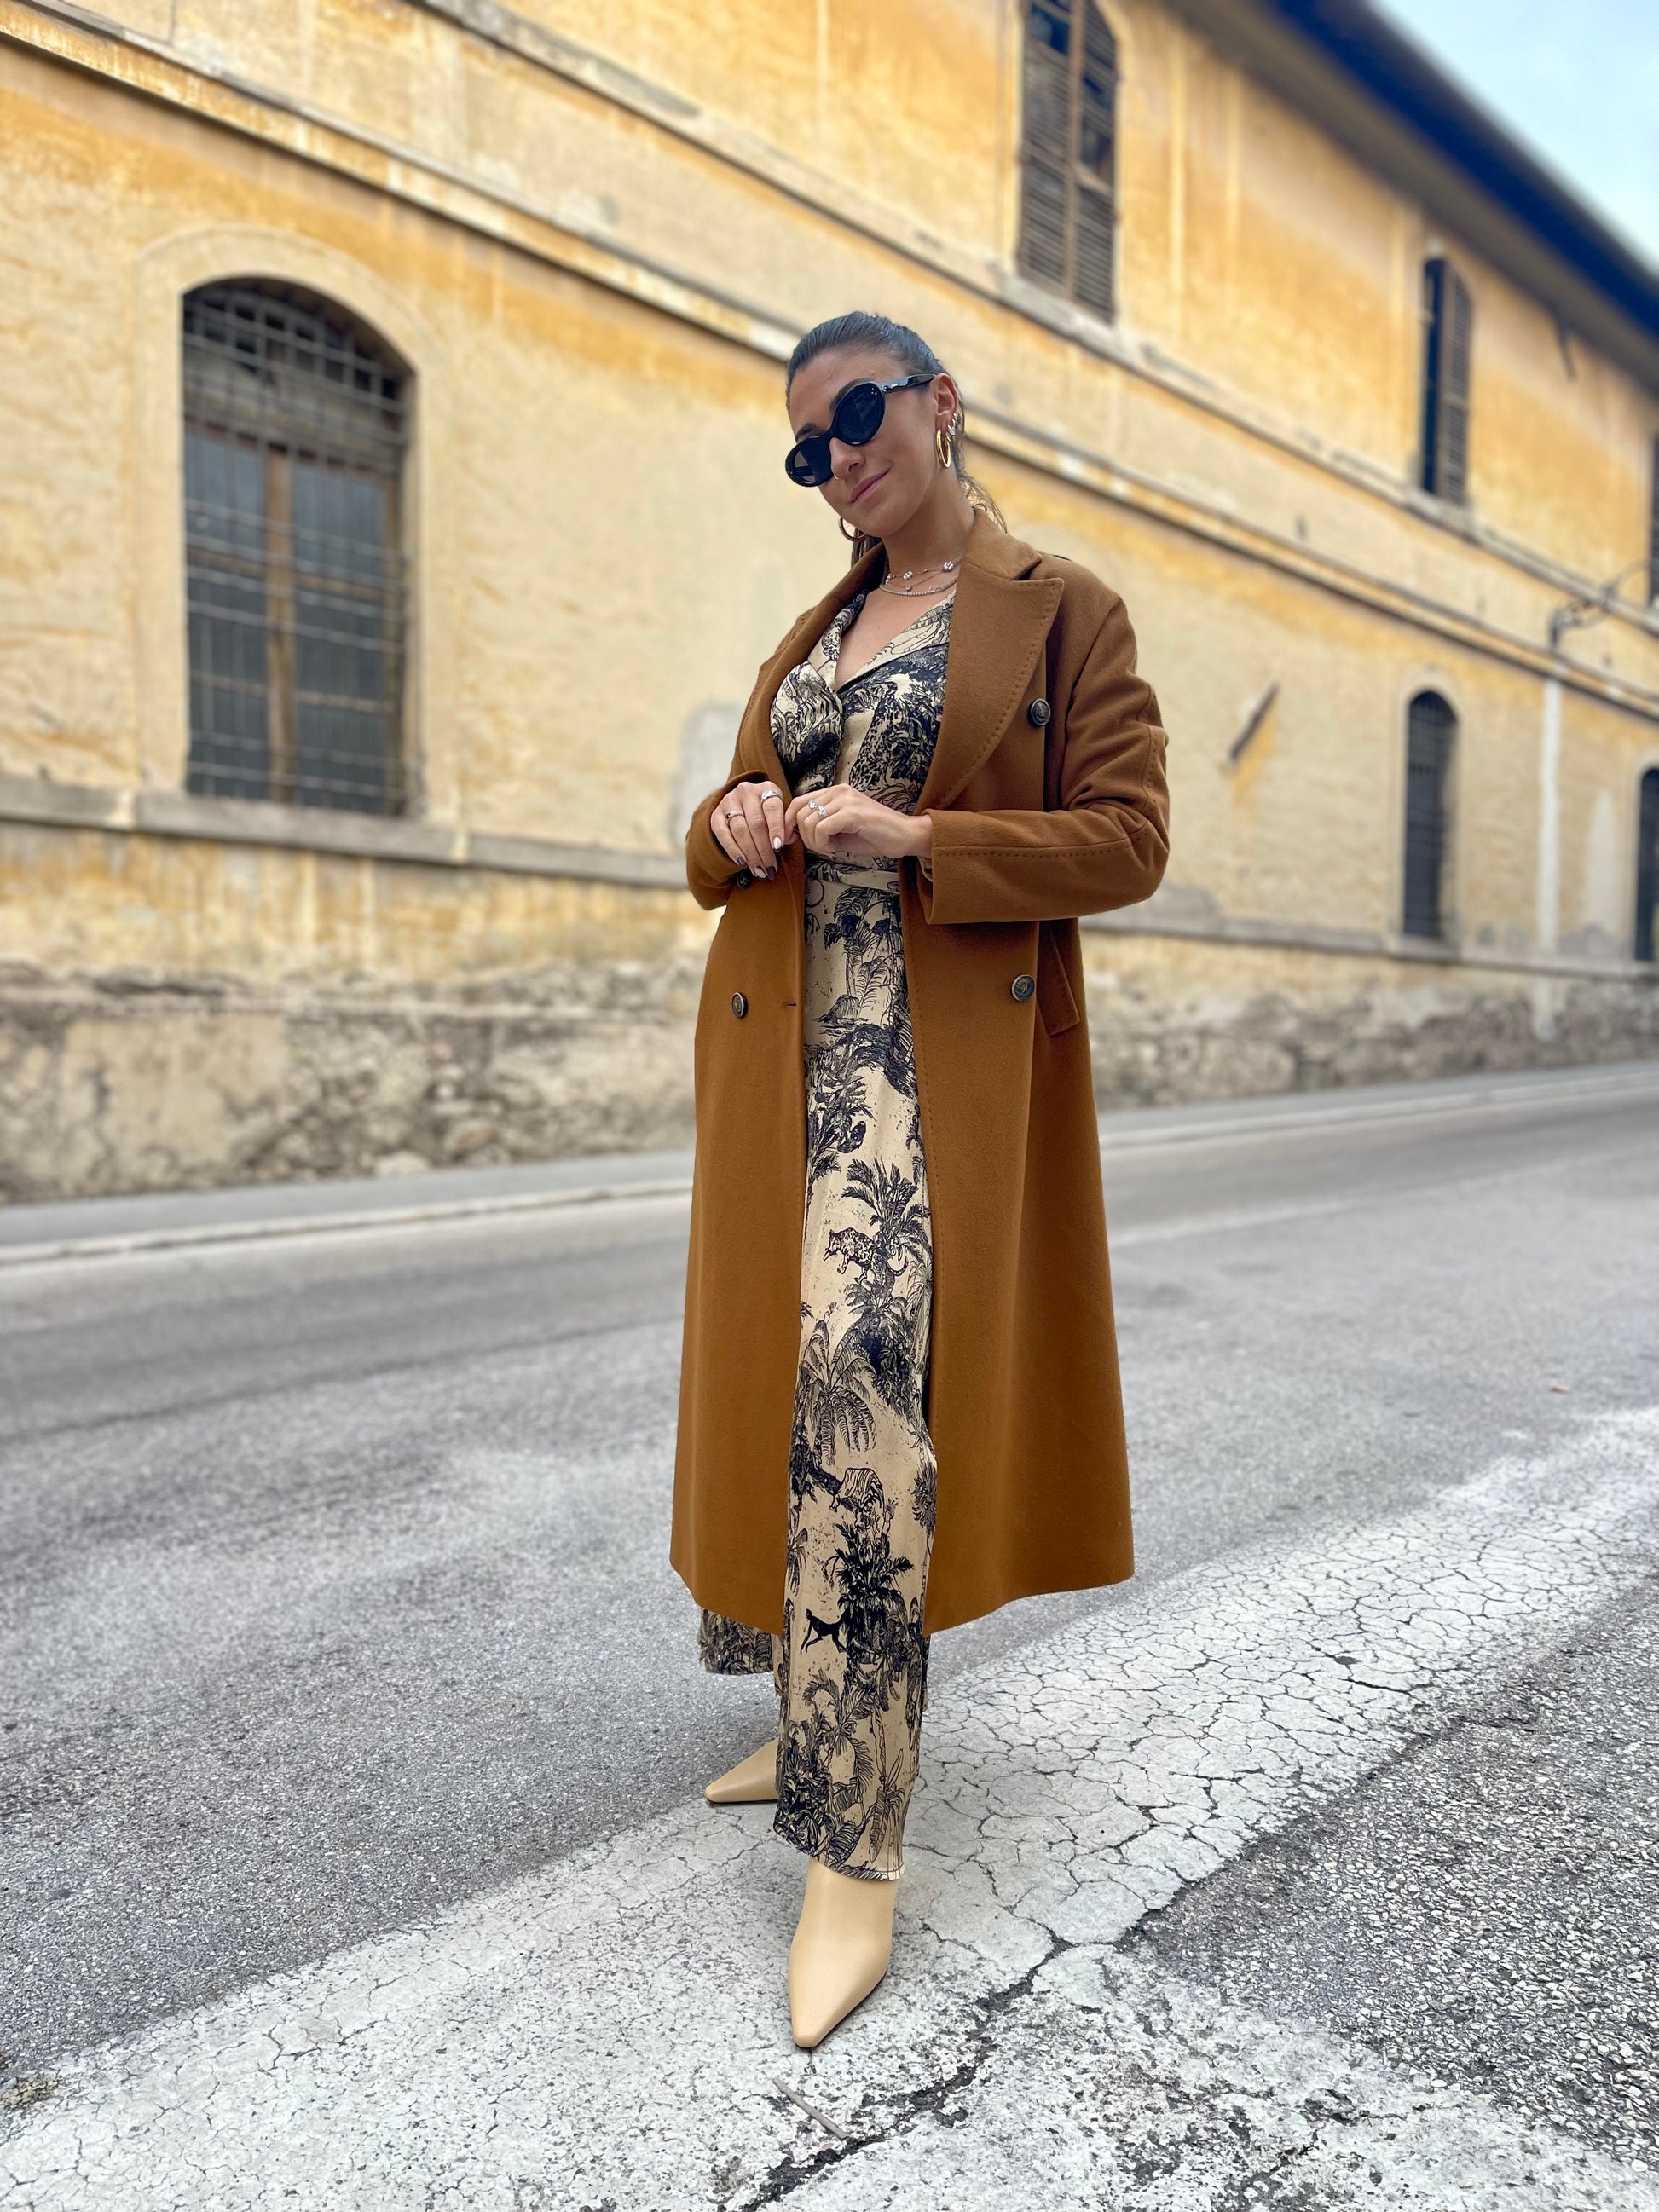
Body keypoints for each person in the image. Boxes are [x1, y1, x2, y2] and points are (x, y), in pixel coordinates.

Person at [670, 309, 1171, 2047]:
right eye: (805, 446)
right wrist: (733, 820)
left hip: (927, 1066)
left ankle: (854, 1839)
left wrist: (920, 838)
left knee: (867, 1393)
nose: (836, 458)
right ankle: (814, 1714)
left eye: (856, 415)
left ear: (939, 403)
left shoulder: (1057, 606)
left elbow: (1130, 837)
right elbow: (720, 829)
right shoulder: (823, 625)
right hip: (778, 1057)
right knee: (784, 1386)